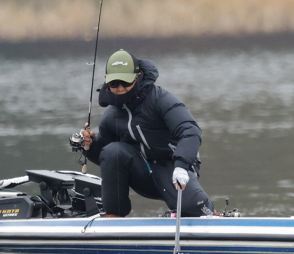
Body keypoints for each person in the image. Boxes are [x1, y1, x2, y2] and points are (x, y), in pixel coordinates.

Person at [80, 49, 215, 218]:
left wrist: (181, 165)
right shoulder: (110, 116)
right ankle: (113, 215)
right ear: (107, 82)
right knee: (112, 150)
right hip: (143, 173)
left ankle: (210, 212)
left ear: (138, 77)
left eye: (125, 82)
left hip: (174, 169)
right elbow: (105, 157)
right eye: (114, 84)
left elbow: (191, 131)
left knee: (191, 209)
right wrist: (88, 145)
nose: (120, 89)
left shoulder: (160, 99)